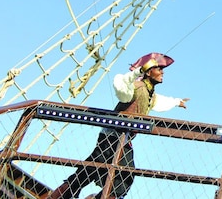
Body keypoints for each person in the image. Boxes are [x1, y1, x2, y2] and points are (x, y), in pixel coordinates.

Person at [47, 54, 189, 199]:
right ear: (148, 71)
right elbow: (121, 84)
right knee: (122, 174)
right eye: (158, 69)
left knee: (93, 169)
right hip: (113, 136)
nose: (162, 72)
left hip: (122, 138)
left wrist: (177, 102)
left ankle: (67, 194)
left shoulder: (149, 93)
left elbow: (161, 101)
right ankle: (68, 195)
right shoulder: (135, 88)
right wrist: (137, 72)